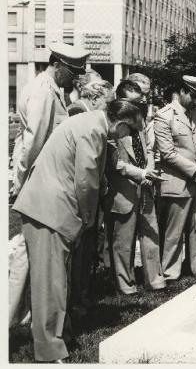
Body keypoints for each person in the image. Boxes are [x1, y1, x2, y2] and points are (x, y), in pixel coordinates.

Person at [12, 100, 143, 362]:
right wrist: (88, 219)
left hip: (50, 208)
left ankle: (61, 336)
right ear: (121, 124)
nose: (130, 137)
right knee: (51, 283)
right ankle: (49, 351)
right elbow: (86, 181)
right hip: (50, 210)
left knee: (57, 280)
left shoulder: (93, 122)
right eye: (132, 131)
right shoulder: (94, 129)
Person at [104, 79, 166, 294]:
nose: (138, 106)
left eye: (140, 102)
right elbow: (114, 163)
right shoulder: (112, 126)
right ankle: (125, 284)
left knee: (151, 234)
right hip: (123, 190)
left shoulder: (140, 122)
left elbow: (149, 150)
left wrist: (149, 172)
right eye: (133, 102)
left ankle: (155, 280)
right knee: (123, 241)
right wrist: (140, 174)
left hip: (146, 185)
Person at [154, 75, 196, 281]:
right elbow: (168, 153)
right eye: (194, 96)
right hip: (178, 182)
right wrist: (194, 170)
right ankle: (170, 271)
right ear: (182, 92)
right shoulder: (164, 116)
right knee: (174, 232)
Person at [11, 42, 89, 199]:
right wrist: (20, 181)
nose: (75, 78)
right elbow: (33, 140)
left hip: (45, 175)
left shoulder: (50, 88)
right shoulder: (43, 91)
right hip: (39, 177)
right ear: (57, 65)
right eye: (72, 72)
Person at [66, 77, 114, 320]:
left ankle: (83, 296)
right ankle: (79, 300)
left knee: (87, 250)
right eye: (108, 104)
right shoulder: (78, 113)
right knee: (80, 251)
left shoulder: (91, 117)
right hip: (77, 195)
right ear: (95, 98)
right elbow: (84, 165)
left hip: (91, 189)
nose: (110, 111)